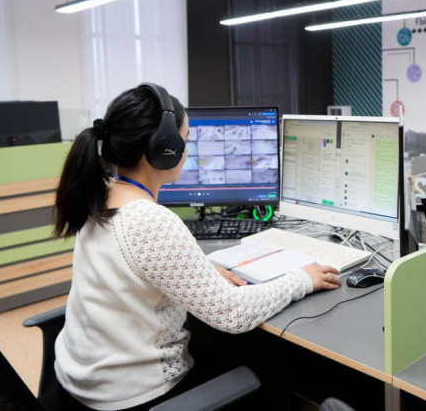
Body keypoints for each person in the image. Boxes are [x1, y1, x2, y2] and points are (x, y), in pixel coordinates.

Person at [51, 84, 341, 410]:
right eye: (185, 140)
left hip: (79, 385)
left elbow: (133, 272)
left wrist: (198, 272)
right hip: (133, 396)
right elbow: (232, 314)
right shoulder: (148, 220)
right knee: (264, 358)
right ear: (165, 148)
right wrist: (302, 279)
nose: (186, 150)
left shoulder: (100, 194)